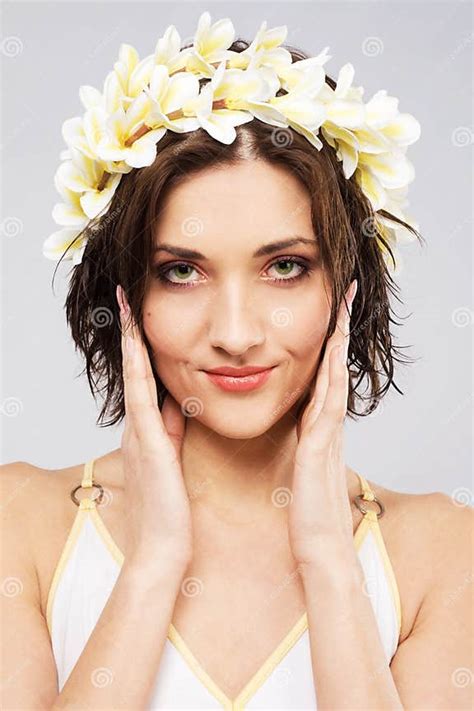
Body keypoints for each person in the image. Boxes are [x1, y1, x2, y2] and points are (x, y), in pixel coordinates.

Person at [1, 12, 471, 710]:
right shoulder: (21, 521)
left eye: (284, 266)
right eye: (182, 271)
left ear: (346, 286)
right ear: (124, 291)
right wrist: (155, 561)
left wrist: (328, 561)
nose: (236, 332)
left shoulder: (444, 550)